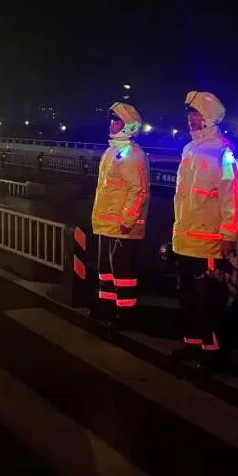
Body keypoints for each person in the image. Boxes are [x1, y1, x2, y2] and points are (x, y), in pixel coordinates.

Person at [171, 90, 238, 369]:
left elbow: (233, 197)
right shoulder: (189, 150)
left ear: (211, 118)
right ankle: (192, 344)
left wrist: (229, 235)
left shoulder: (223, 153)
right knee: (188, 297)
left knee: (209, 300)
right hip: (185, 241)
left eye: (197, 114)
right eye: (190, 114)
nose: (192, 119)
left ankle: (212, 352)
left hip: (210, 243)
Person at [90, 102, 150, 323]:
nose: (112, 123)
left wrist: (128, 220)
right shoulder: (113, 151)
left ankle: (126, 313)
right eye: (112, 119)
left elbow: (139, 190)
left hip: (122, 227)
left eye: (117, 120)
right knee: (106, 269)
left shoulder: (131, 153)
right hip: (108, 225)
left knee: (123, 273)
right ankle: (106, 306)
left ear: (128, 125)